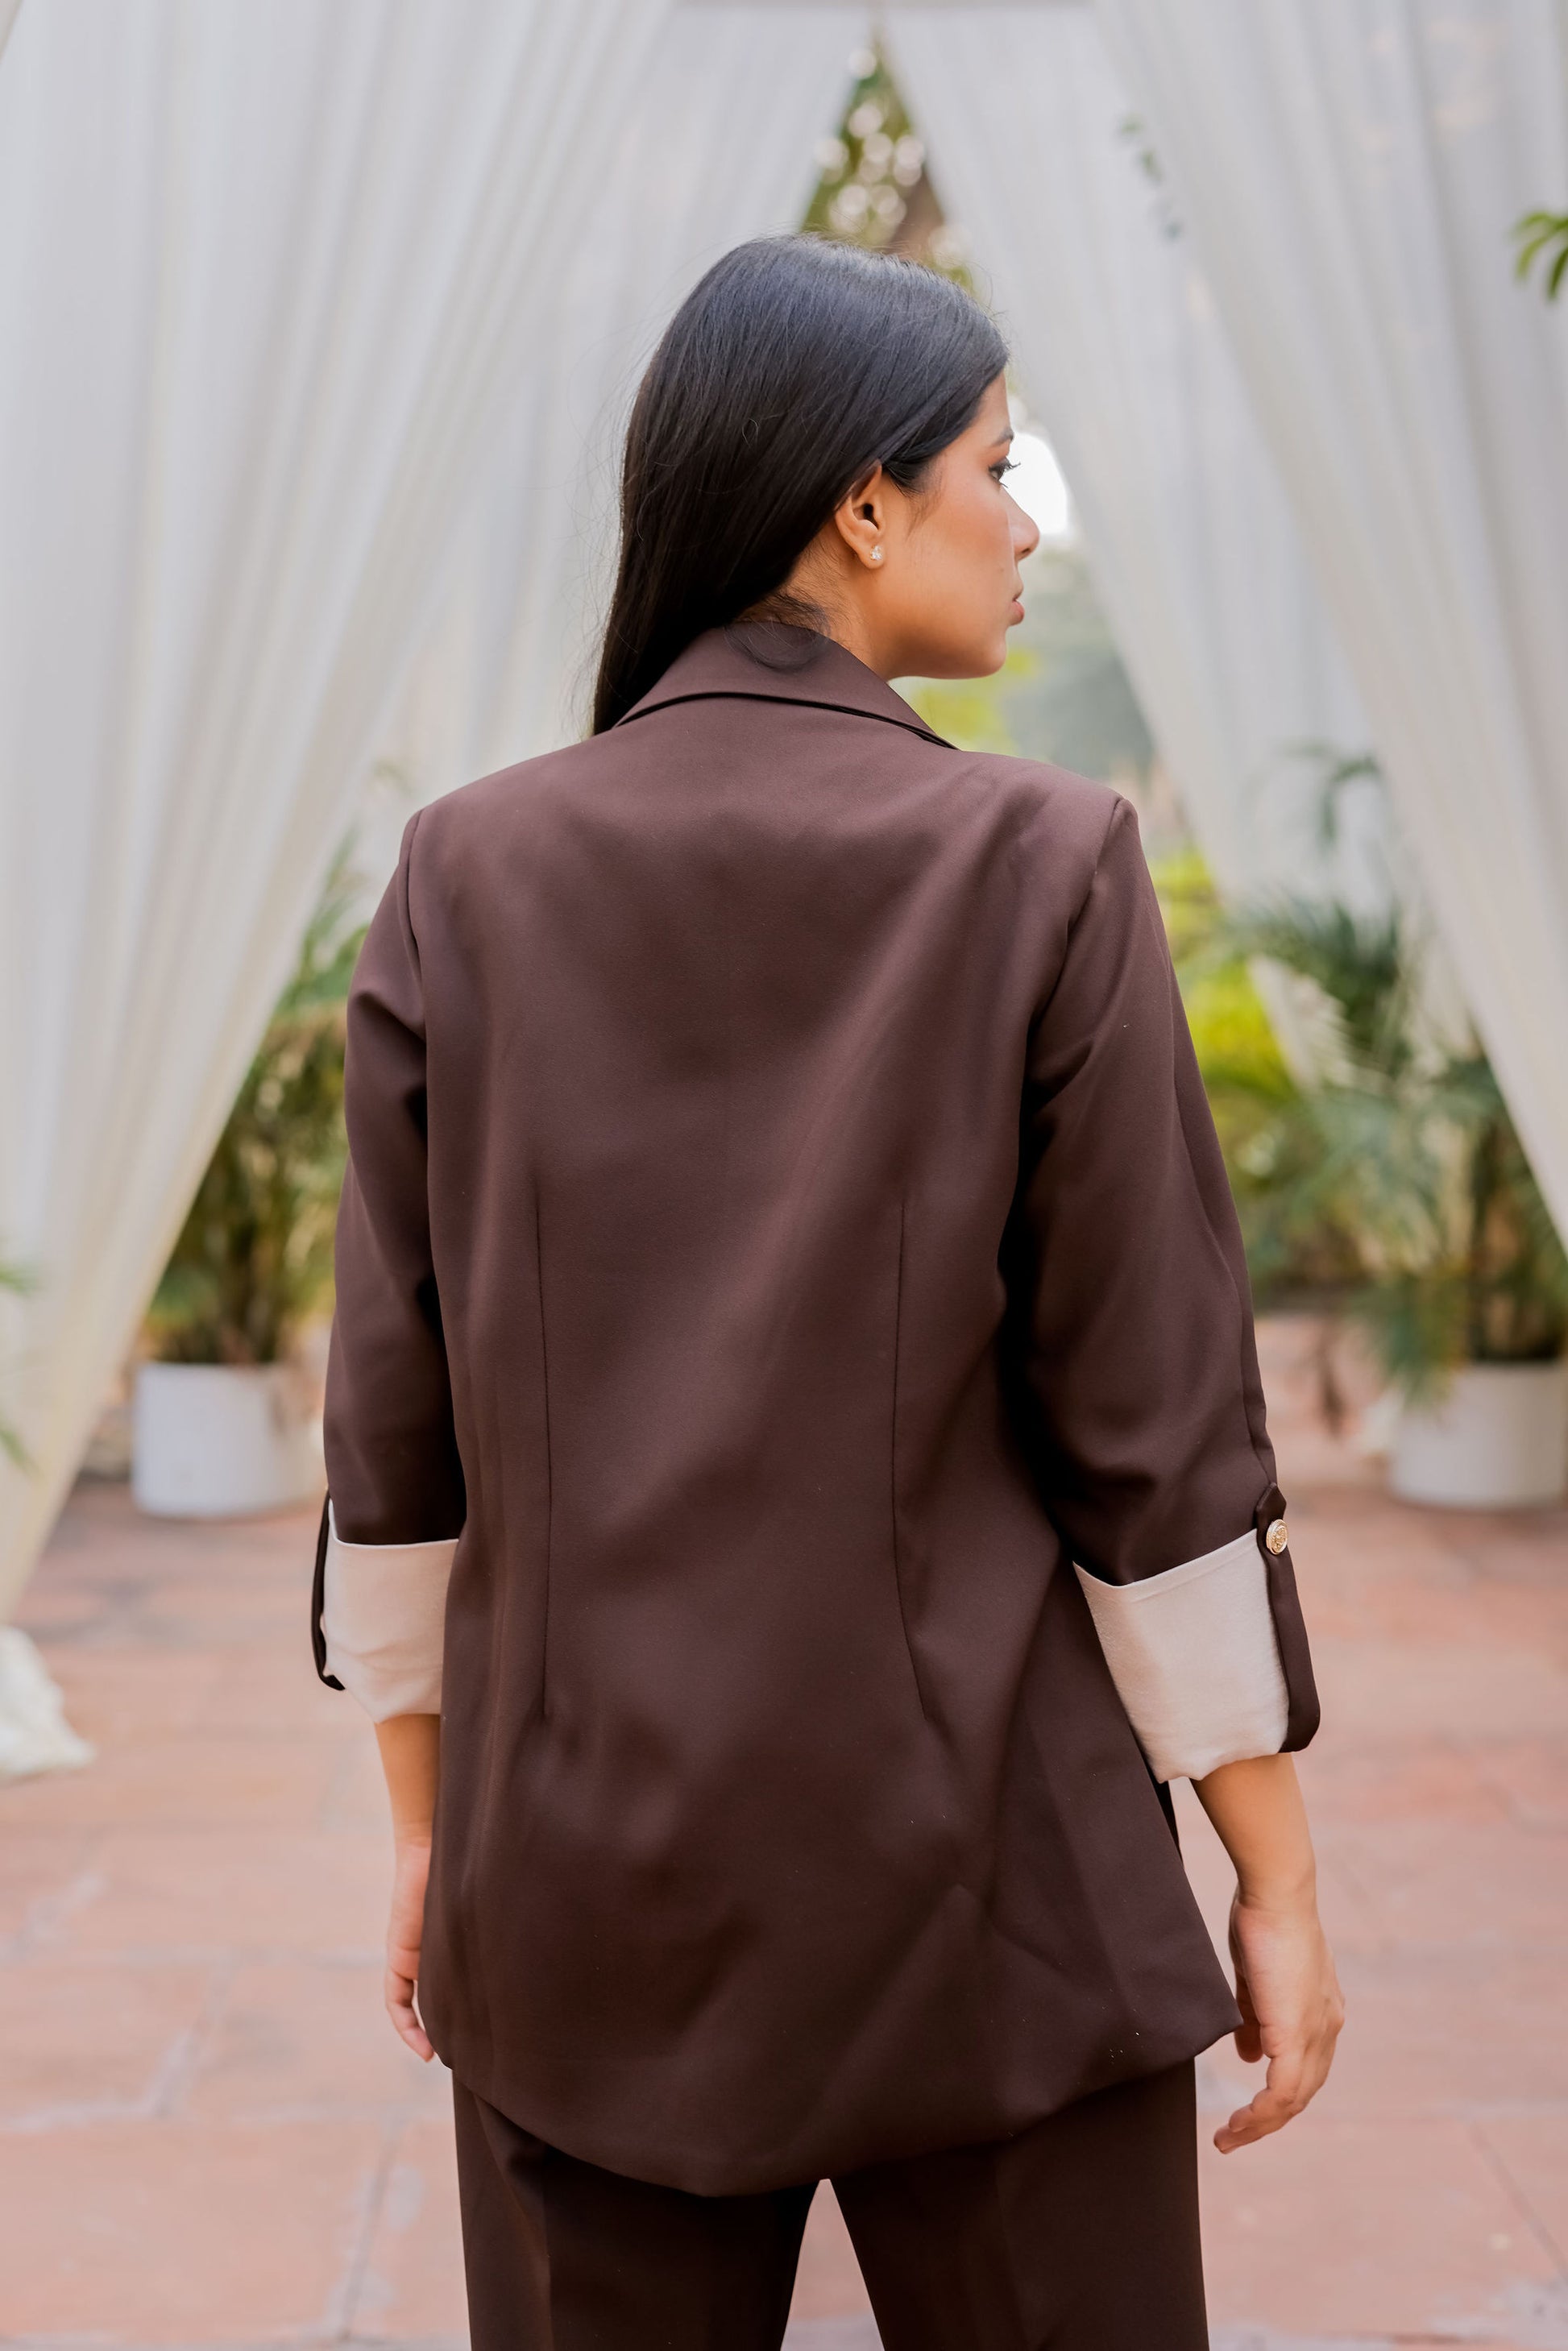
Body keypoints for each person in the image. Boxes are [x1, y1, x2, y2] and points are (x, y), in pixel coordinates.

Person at [312, 235, 1342, 2349]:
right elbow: (1151, 1436)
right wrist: (1279, 1874)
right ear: (863, 504)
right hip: (999, 1893)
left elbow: (395, 1437)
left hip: (576, 1885)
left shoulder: (461, 873)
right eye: (995, 466)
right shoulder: (1044, 863)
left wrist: (430, 1833)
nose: (1023, 522)